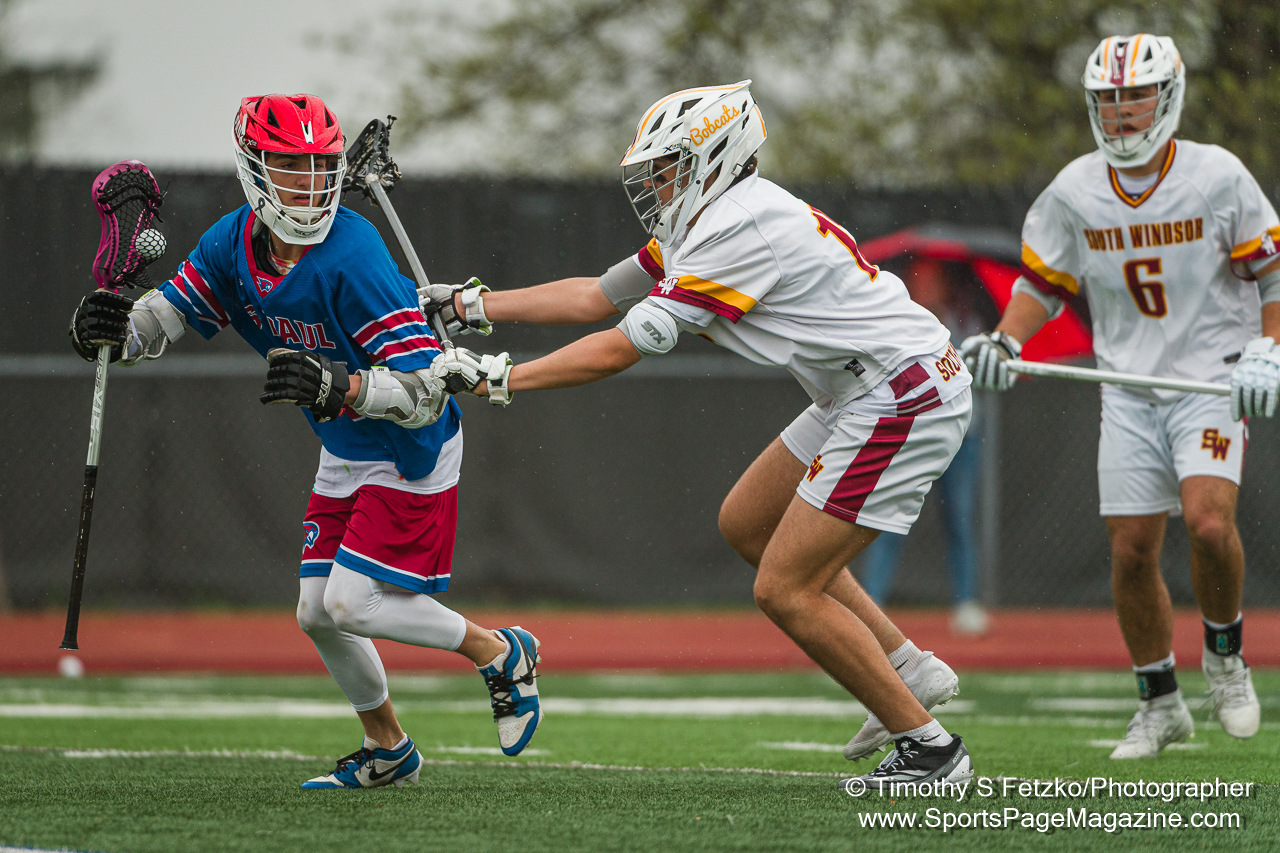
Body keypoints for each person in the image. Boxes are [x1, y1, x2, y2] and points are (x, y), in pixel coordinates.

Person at [426, 81, 975, 787]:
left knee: (785, 588)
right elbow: (597, 295)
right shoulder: (715, 219)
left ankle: (931, 749)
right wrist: (472, 305)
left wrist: (497, 378)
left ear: (716, 157)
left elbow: (621, 346)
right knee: (748, 523)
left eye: (668, 168)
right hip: (863, 388)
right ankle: (905, 666)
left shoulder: (736, 226)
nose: (655, 185)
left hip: (897, 392)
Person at [67, 93, 542, 789]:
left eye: (321, 166)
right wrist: (111, 330)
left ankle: (500, 652)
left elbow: (427, 395)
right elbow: (160, 320)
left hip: (410, 449)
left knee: (350, 602)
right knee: (317, 612)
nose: (310, 182)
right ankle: (388, 747)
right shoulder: (230, 243)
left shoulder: (354, 253)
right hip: (345, 445)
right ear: (253, 169)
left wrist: (339, 388)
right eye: (291, 166)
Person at [961, 34, 1275, 759]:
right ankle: (1159, 702)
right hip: (1128, 388)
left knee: (1209, 524)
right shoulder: (1075, 189)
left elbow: (1272, 269)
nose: (1121, 111)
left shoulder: (1216, 175)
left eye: (1135, 96)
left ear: (1169, 97)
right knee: (1132, 549)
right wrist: (1007, 339)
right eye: (1108, 99)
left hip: (1208, 378)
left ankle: (1225, 656)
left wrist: (1270, 347)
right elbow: (1043, 282)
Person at [859, 258, 988, 635]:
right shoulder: (896, 320)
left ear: (946, 284)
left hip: (961, 440)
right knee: (887, 518)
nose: (926, 285)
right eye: (920, 278)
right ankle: (871, 603)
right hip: (908, 436)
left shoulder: (967, 323)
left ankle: (966, 603)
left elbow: (971, 375)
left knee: (959, 518)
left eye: (933, 279)